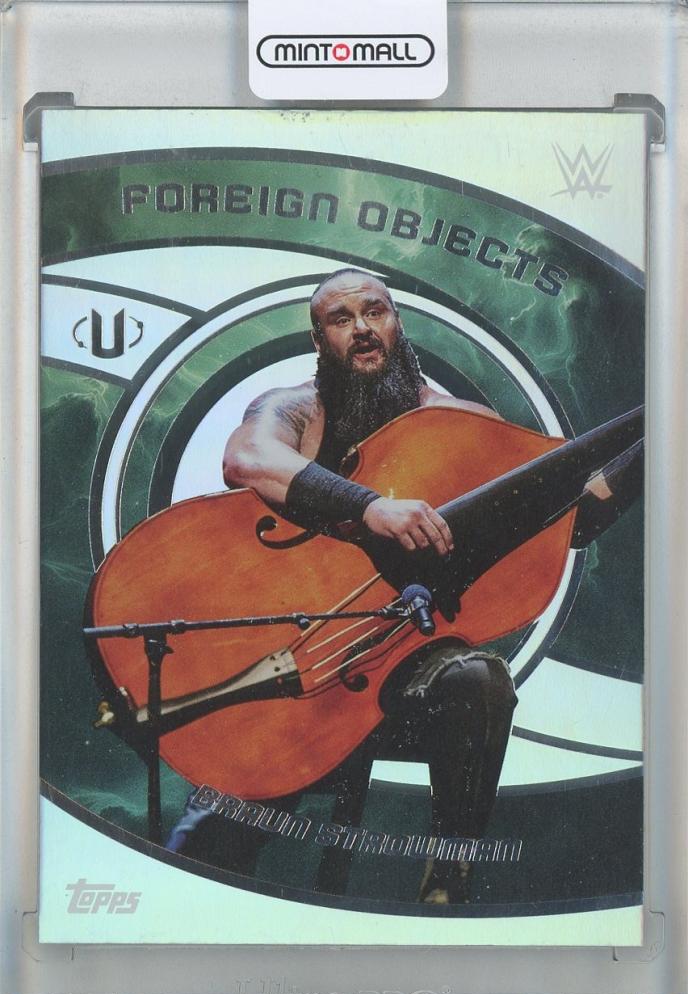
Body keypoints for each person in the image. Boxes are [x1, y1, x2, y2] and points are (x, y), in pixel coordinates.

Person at [167, 268, 643, 903]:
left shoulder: (460, 422)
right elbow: (247, 458)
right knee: (202, 844)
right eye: (341, 319)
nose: (362, 328)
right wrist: (369, 506)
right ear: (319, 340)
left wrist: (657, 449)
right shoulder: (298, 409)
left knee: (479, 680)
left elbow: (571, 521)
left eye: (375, 312)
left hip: (403, 669)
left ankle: (446, 887)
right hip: (298, 661)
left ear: (397, 323)